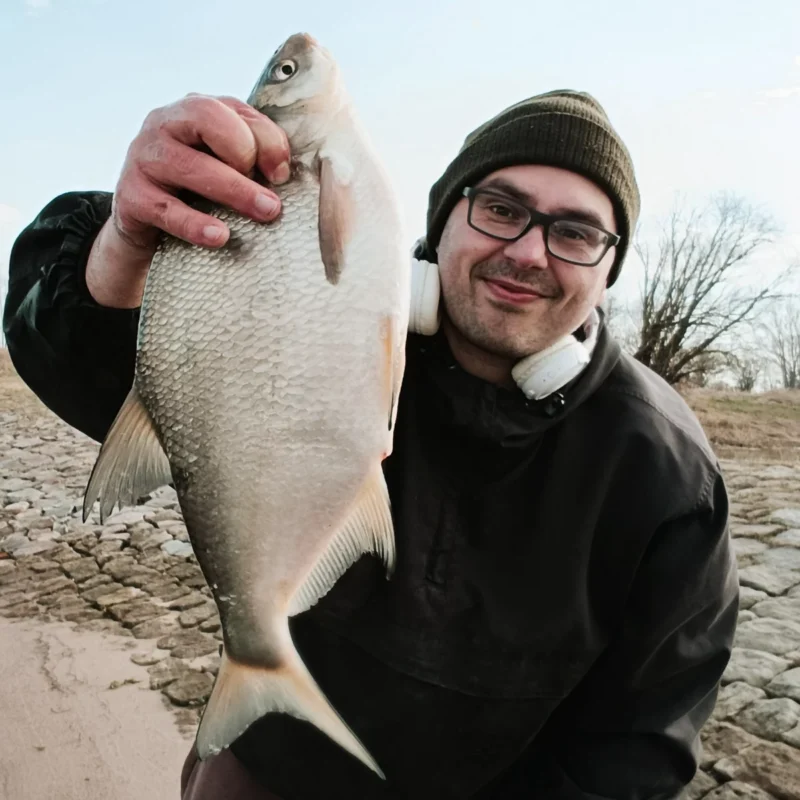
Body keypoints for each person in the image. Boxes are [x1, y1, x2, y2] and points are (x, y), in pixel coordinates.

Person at [3, 89, 738, 800]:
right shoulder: (318, 323)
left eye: (576, 232)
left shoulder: (665, 474)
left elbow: (639, 741)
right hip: (268, 768)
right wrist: (125, 242)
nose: (529, 252)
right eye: (501, 209)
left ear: (610, 270)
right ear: (441, 222)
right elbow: (94, 367)